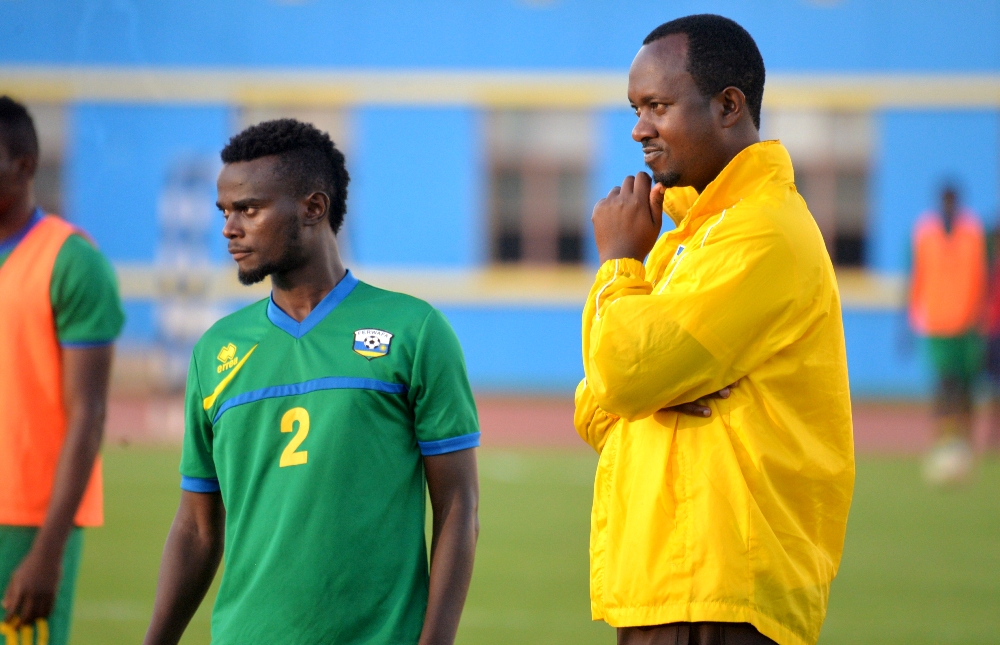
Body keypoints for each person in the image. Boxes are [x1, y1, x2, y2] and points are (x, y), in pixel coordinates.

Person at [142, 119, 480, 645]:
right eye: (225, 212)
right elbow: (196, 527)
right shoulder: (215, 351)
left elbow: (458, 506)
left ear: (313, 208)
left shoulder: (414, 331)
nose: (230, 228)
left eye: (249, 209)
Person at [573, 15, 854, 645]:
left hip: (721, 591)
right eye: (636, 109)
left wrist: (618, 262)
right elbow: (595, 407)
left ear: (729, 105)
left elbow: (619, 378)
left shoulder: (761, 232)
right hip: (669, 586)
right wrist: (646, 387)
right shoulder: (685, 239)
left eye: (659, 106)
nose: (639, 129)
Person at [0, 96, 124, 644]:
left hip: (23, 520)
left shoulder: (72, 261)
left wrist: (47, 552)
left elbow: (88, 414)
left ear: (24, 166)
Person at [908, 185, 986, 483]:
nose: (949, 206)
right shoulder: (925, 232)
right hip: (937, 322)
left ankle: (966, 444)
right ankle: (942, 443)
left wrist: (981, 317)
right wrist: (911, 316)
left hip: (967, 323)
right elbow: (917, 274)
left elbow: (981, 276)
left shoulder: (972, 233)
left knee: (966, 388)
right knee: (943, 385)